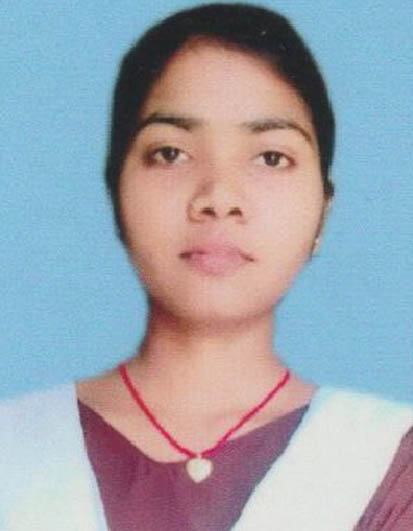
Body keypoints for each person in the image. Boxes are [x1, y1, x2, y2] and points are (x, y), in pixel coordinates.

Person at [1, 3, 412, 530]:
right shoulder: (14, 450)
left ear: (322, 214)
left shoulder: (390, 460)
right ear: (116, 192)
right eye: (171, 153)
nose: (219, 197)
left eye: (270, 157)